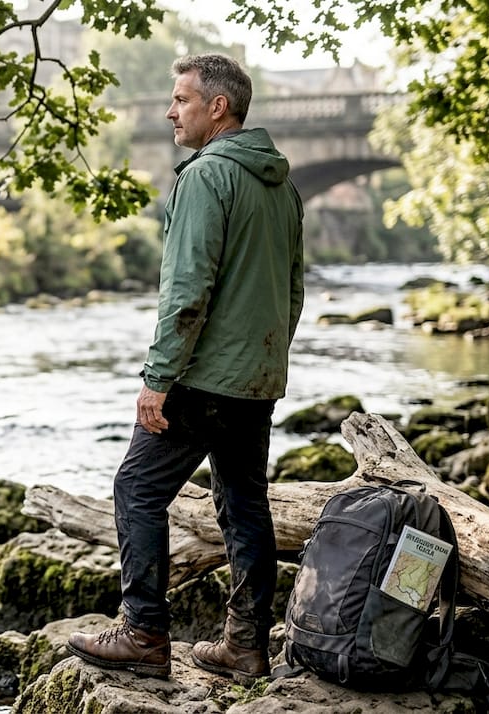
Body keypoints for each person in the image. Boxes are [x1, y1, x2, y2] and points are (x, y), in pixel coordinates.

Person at [67, 53, 304, 682]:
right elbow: (294, 289)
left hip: (200, 380)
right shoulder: (283, 185)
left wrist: (157, 378)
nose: (171, 111)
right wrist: (264, 359)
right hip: (256, 378)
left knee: (136, 490)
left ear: (217, 107)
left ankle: (143, 633)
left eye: (181, 99)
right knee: (245, 504)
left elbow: (186, 291)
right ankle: (246, 646)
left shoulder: (204, 177)